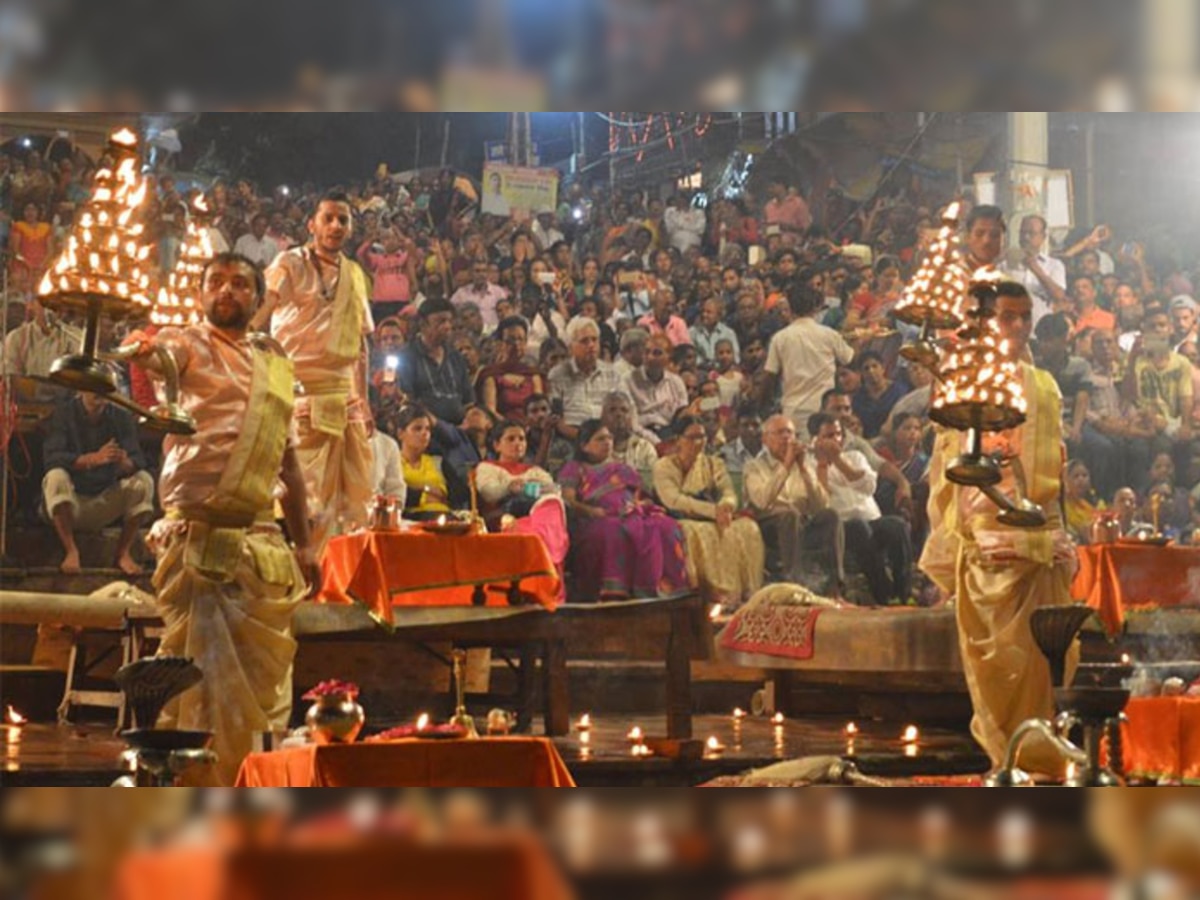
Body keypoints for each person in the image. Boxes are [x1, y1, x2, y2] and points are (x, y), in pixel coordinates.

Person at [122, 251, 317, 786]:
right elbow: (151, 356)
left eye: (239, 284)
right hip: (197, 536)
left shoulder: (277, 365)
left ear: (257, 298)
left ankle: (254, 788)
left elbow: (291, 468)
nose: (227, 291)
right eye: (215, 283)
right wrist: (137, 345)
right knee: (195, 680)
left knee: (261, 688)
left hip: (261, 544)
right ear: (201, 294)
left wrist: (305, 544)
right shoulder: (186, 343)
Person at [922, 281, 1077, 778]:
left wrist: (1056, 532)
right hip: (988, 540)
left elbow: (1054, 468)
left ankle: (1046, 756)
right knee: (998, 668)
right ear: (989, 322)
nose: (1019, 326)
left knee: (1046, 659)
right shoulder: (964, 381)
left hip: (1040, 538)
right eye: (1008, 316)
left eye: (1025, 316)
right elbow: (948, 466)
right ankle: (1006, 759)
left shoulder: (1045, 385)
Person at [255, 191, 374, 553]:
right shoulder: (288, 262)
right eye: (329, 218)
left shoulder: (354, 274)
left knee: (352, 500)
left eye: (344, 220)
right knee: (304, 495)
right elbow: (263, 312)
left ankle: (336, 576)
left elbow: (360, 344)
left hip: (345, 397)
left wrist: (365, 400)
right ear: (312, 224)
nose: (336, 226)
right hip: (297, 389)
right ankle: (301, 571)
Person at [558, 419, 689, 602]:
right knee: (613, 531)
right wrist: (592, 511)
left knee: (665, 526)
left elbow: (641, 495)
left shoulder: (622, 468)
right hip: (594, 518)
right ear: (584, 445)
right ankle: (614, 592)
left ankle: (664, 589)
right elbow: (568, 500)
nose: (608, 442)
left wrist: (640, 505)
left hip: (631, 513)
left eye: (609, 438)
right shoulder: (575, 468)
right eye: (600, 439)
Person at [653, 414, 765, 607]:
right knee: (693, 531)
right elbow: (673, 499)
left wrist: (726, 506)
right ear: (678, 439)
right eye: (692, 437)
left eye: (702, 437)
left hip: (715, 514)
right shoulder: (664, 466)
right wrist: (713, 511)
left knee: (748, 527)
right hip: (681, 516)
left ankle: (746, 593)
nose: (698, 442)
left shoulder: (714, 464)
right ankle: (709, 593)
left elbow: (727, 490)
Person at [41, 391, 155, 575]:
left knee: (143, 481)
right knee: (55, 477)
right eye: (93, 386)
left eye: (103, 387)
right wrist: (92, 459)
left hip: (105, 499)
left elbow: (138, 459)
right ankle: (71, 551)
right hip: (73, 501)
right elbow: (52, 458)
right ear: (81, 390)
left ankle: (123, 553)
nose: (98, 392)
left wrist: (124, 462)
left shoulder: (121, 416)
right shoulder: (64, 413)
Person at [807, 412, 912, 606]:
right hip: (841, 526)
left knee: (897, 526)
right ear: (815, 439)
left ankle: (903, 593)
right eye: (829, 436)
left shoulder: (854, 456)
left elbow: (868, 486)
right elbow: (820, 502)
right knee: (858, 528)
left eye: (838, 434)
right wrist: (823, 464)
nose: (836, 440)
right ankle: (883, 594)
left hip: (872, 518)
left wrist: (839, 461)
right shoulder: (808, 465)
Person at [744, 414, 842, 593]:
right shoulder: (754, 467)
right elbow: (762, 501)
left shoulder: (804, 465)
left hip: (802, 522)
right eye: (780, 433)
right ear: (765, 439)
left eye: (790, 433)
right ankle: (796, 585)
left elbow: (821, 505)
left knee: (831, 515)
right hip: (770, 524)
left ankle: (835, 586)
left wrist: (804, 469)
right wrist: (786, 466)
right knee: (789, 515)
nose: (786, 438)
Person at [474, 420, 568, 596]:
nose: (518, 443)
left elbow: (552, 489)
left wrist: (527, 487)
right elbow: (489, 493)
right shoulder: (487, 467)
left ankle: (547, 573)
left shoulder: (534, 470)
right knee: (538, 524)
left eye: (521, 439)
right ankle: (545, 567)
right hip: (505, 517)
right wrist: (510, 487)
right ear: (496, 445)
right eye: (511, 439)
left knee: (552, 506)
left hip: (537, 514)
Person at [758, 283, 855, 432]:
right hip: (825, 409)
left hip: (794, 410)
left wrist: (762, 404)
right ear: (816, 308)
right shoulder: (829, 334)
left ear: (790, 308)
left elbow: (770, 376)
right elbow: (849, 359)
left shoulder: (781, 338)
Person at [396, 297, 475, 426]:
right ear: (422, 324)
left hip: (460, 427)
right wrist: (438, 426)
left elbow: (468, 399)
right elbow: (408, 400)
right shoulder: (408, 357)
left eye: (450, 321)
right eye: (441, 321)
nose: (448, 326)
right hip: (426, 427)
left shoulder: (455, 357)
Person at [547, 317, 622, 441]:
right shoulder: (557, 374)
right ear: (571, 347)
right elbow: (557, 421)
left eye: (594, 340)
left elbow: (621, 412)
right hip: (571, 437)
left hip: (607, 436)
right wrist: (585, 439)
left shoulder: (612, 374)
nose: (591, 345)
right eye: (584, 341)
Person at [1003, 214, 1067, 326]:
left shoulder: (1054, 265)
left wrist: (1035, 268)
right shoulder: (1005, 264)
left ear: (1043, 237)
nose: (1026, 237)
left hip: (1040, 326)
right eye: (1023, 233)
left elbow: (1059, 296)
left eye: (1031, 233)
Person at [476, 315, 543, 422]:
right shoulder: (491, 374)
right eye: (510, 340)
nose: (516, 344)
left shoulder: (533, 374)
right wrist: (511, 426)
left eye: (520, 339)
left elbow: (541, 408)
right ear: (500, 343)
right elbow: (490, 410)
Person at [623, 334, 689, 438]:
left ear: (669, 357)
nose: (649, 357)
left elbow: (683, 416)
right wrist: (655, 441)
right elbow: (631, 422)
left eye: (657, 353)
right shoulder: (628, 381)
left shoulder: (676, 382)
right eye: (646, 352)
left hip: (670, 433)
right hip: (640, 435)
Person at [394, 403, 452, 520]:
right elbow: (397, 494)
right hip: (411, 518)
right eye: (417, 429)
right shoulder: (392, 463)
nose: (425, 433)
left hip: (445, 517)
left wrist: (419, 488)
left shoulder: (438, 462)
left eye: (428, 429)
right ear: (401, 433)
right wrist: (428, 492)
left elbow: (456, 494)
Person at [600, 391, 659, 488]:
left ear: (631, 417)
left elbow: (654, 483)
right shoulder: (595, 447)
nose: (619, 414)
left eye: (624, 410)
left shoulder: (644, 448)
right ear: (602, 417)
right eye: (612, 410)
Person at [1063, 459, 1100, 544]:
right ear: (1066, 481)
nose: (1081, 479)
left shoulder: (1095, 504)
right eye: (1076, 476)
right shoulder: (1062, 506)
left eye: (1084, 475)